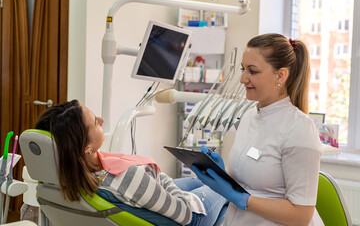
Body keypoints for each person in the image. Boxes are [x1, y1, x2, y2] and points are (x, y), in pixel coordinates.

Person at [192, 33, 324, 226]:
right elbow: (249, 182)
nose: (242, 79)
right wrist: (220, 173)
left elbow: (301, 216)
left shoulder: (300, 129)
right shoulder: (249, 116)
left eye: (252, 71)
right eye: (243, 69)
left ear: (280, 75)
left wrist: (242, 199)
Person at [34, 99, 228, 226]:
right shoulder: (127, 178)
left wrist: (161, 183)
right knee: (226, 184)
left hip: (148, 193)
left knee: (199, 182)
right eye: (94, 122)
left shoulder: (68, 178)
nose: (101, 120)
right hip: (191, 218)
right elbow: (185, 214)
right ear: (86, 148)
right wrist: (167, 185)